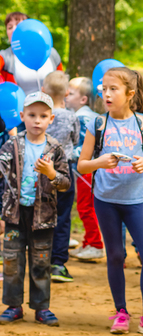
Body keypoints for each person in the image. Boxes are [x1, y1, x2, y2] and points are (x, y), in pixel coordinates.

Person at [77, 66, 143, 336]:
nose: (107, 94)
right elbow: (82, 164)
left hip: (135, 202)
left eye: (114, 89)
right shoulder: (97, 124)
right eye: (104, 89)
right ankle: (121, 312)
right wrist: (99, 162)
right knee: (115, 255)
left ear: (130, 93)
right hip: (105, 200)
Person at [0, 91, 71, 326]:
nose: (37, 121)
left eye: (43, 116)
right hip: (14, 214)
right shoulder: (11, 145)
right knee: (12, 261)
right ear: (22, 116)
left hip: (43, 216)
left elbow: (65, 183)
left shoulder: (55, 148)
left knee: (41, 261)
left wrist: (51, 173)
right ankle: (14, 306)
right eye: (32, 115)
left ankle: (42, 307)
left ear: (51, 119)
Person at [42, 71, 80, 283]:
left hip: (43, 170)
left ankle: (41, 258)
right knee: (63, 217)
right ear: (66, 93)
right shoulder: (71, 116)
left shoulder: (42, 116)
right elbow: (75, 140)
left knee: (43, 214)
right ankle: (58, 263)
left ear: (43, 90)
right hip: (65, 171)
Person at [66, 76, 104, 262]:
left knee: (85, 207)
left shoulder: (82, 118)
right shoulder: (89, 115)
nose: (66, 95)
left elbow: (85, 148)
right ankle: (89, 242)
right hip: (89, 171)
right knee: (86, 206)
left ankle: (95, 244)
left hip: (86, 172)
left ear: (83, 99)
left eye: (71, 93)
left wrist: (65, 153)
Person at [2, 12, 63, 94]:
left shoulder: (51, 52)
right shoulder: (5, 56)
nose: (14, 29)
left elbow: (62, 82)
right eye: (10, 27)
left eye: (18, 25)